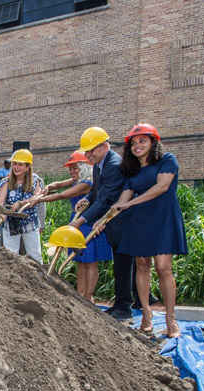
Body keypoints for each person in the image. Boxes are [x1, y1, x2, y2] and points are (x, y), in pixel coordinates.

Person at [113, 123, 187, 338]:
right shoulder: (132, 171)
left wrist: (131, 204)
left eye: (142, 141)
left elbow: (161, 187)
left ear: (153, 142)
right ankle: (146, 314)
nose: (137, 145)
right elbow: (122, 200)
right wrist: (105, 217)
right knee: (141, 264)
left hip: (163, 218)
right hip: (139, 221)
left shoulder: (167, 160)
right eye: (133, 143)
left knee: (163, 267)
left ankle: (170, 318)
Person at [70, 126, 132, 321]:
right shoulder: (99, 164)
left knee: (124, 264)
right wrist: (87, 199)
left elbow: (105, 199)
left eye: (91, 151)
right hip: (110, 220)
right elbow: (97, 190)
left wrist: (80, 221)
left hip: (122, 221)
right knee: (120, 264)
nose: (88, 155)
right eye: (86, 152)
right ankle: (123, 304)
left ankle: (124, 306)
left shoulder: (113, 164)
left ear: (104, 145)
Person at [40, 151, 111, 299]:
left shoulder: (87, 183)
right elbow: (58, 185)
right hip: (76, 220)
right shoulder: (76, 181)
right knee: (80, 260)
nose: (72, 171)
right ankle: (80, 294)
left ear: (84, 167)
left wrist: (37, 200)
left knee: (90, 261)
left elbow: (62, 195)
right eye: (70, 168)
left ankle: (88, 297)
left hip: (87, 221)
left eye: (75, 168)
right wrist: (47, 187)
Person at [0, 149, 43, 263]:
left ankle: (39, 279)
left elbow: (37, 197)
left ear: (27, 167)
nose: (16, 167)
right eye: (14, 164)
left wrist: (21, 204)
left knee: (35, 256)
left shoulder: (35, 180)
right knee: (11, 257)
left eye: (20, 164)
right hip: (11, 224)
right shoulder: (6, 181)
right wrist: (0, 212)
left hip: (29, 223)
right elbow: (0, 201)